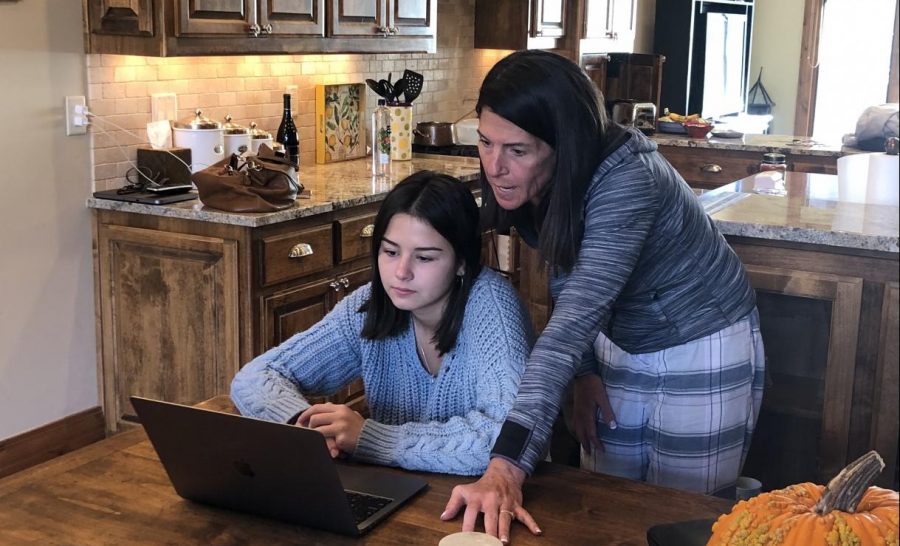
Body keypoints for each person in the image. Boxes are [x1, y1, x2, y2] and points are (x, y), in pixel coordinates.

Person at [440, 50, 765, 542]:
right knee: (605, 507)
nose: (495, 167)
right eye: (486, 143)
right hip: (618, 341)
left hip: (702, 342)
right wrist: (587, 372)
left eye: (517, 150)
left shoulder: (628, 178)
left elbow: (572, 319)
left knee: (684, 519)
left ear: (563, 145)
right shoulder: (542, 182)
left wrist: (505, 464)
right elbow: (567, 271)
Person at [231, 171, 534, 476]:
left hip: (481, 501)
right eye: (390, 251)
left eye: (425, 258)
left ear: (462, 262)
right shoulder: (370, 305)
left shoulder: (492, 308)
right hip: (394, 489)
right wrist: (305, 425)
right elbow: (255, 376)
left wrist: (374, 439)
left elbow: (509, 439)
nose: (401, 272)